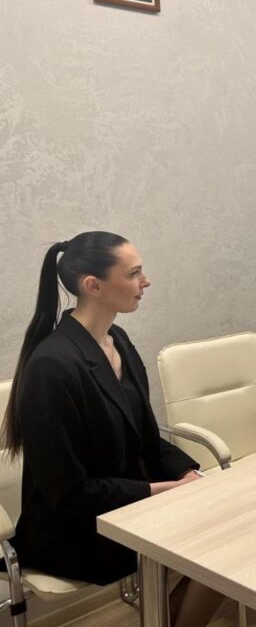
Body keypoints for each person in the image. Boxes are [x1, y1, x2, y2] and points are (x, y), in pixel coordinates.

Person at [1, 232, 222, 626]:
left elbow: (147, 437)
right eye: (134, 273)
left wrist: (189, 474)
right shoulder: (51, 366)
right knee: (220, 547)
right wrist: (163, 491)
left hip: (128, 505)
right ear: (93, 286)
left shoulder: (117, 340)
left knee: (229, 526)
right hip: (74, 531)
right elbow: (68, 493)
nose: (146, 281)